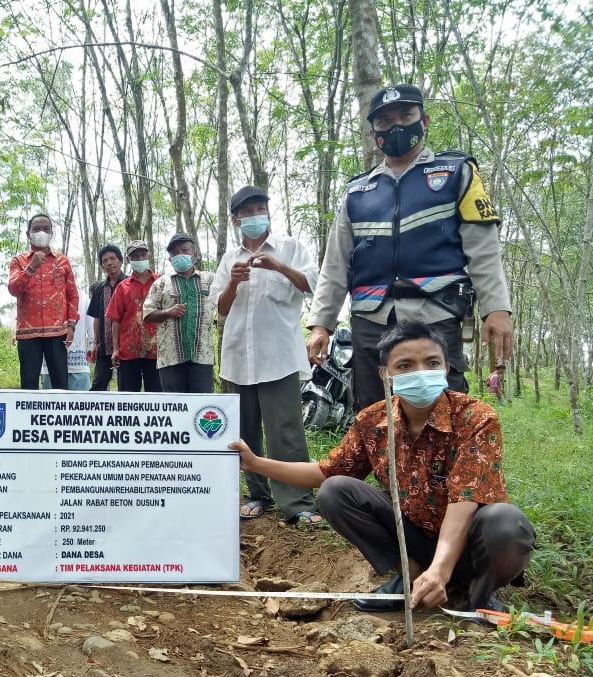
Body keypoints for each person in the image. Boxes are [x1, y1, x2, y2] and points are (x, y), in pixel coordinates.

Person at [231, 321, 534, 613]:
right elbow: (324, 473)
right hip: (412, 540)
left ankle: (478, 597)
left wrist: (441, 569)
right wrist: (256, 463)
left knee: (506, 522)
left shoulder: (475, 417)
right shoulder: (372, 421)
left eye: (431, 363)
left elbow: (464, 499)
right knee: (335, 490)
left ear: (446, 368)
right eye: (405, 366)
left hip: (470, 542)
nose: (420, 372)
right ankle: (410, 572)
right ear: (385, 374)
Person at [307, 83, 514, 411]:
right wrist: (322, 324)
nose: (396, 126)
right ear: (375, 131)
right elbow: (335, 263)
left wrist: (497, 308)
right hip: (370, 322)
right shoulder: (358, 192)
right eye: (385, 120)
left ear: (424, 120)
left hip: (436, 315)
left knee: (441, 416)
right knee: (372, 418)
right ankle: (382, 466)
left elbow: (483, 250)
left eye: (406, 115)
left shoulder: (455, 173)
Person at [212, 186, 321, 525]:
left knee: (285, 431)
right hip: (238, 360)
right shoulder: (229, 259)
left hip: (279, 358)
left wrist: (279, 267)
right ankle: (257, 495)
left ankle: (297, 502)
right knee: (244, 431)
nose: (255, 216)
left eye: (261, 208)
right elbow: (220, 308)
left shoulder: (290, 248)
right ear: (236, 220)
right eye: (248, 212)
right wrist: (233, 284)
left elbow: (314, 285)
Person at [8, 213, 79, 390]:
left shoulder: (63, 260)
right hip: (28, 332)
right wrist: (31, 267)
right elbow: (13, 289)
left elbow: (72, 294)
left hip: (57, 332)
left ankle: (61, 417)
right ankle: (27, 417)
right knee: (29, 382)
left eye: (46, 229)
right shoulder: (19, 261)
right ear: (28, 233)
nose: (41, 232)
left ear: (52, 233)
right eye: (36, 229)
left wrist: (71, 325)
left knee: (60, 382)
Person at [143, 233, 216, 393]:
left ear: (195, 255)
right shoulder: (160, 283)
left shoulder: (210, 280)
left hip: (202, 357)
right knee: (174, 409)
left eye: (185, 250)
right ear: (170, 259)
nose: (180, 255)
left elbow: (225, 306)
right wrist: (168, 312)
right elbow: (147, 315)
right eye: (174, 253)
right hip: (170, 359)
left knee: (200, 408)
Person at [105, 240, 160, 392]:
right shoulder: (123, 287)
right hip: (128, 352)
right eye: (135, 256)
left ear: (148, 256)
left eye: (143, 254)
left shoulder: (160, 282)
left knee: (158, 396)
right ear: (128, 260)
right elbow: (115, 319)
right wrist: (115, 349)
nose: (139, 258)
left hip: (157, 350)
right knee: (128, 397)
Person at [86, 244, 126, 391]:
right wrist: (95, 343)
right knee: (98, 385)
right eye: (105, 261)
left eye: (113, 259)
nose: (109, 263)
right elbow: (96, 317)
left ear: (121, 261)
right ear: (102, 266)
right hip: (104, 346)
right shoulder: (99, 289)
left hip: (125, 347)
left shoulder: (128, 284)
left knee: (125, 386)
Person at [43, 293, 92, 391]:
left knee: (80, 404)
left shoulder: (83, 298)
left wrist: (92, 344)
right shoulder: (47, 294)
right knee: (53, 404)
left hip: (77, 365)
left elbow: (91, 327)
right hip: (51, 366)